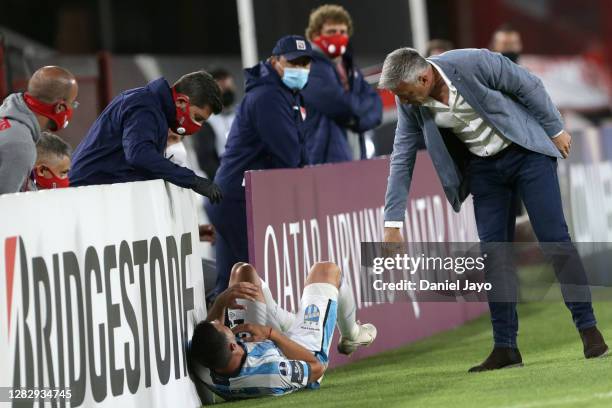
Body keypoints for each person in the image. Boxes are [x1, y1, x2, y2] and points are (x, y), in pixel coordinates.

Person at [378, 47, 608, 371]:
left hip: (526, 153)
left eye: (404, 93)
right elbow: (401, 158)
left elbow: (528, 85)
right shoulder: (411, 104)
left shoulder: (472, 62)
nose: (403, 100)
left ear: (424, 77)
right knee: (493, 254)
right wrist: (392, 222)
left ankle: (588, 329)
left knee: (554, 238)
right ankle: (506, 348)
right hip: (484, 170)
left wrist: (555, 128)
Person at [207, 35, 313, 296]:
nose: (299, 69)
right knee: (252, 279)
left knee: (231, 282)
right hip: (238, 199)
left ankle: (218, 333)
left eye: (304, 63)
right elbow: (288, 154)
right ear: (275, 61)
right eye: (293, 62)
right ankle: (246, 334)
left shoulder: (284, 94)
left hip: (235, 197)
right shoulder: (268, 96)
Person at [188, 261, 377, 400]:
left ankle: (287, 322)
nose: (224, 323)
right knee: (326, 271)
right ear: (232, 346)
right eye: (226, 328)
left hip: (259, 345)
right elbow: (317, 368)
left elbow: (208, 336)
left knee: (242, 272)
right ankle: (351, 335)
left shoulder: (203, 362)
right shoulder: (273, 373)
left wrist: (221, 302)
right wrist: (271, 333)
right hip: (299, 353)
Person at [69, 71, 223, 203]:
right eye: (198, 117)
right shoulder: (144, 105)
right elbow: (139, 155)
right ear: (181, 101)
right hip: (83, 195)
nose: (198, 125)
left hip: (96, 193)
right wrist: (192, 180)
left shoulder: (154, 108)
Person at [302, 4, 382, 163]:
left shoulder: (350, 67)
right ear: (315, 34)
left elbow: (376, 106)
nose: (338, 36)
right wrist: (360, 112)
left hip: (356, 155)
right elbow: (338, 104)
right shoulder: (309, 65)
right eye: (331, 31)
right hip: (324, 158)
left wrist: (356, 121)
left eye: (343, 32)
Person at [0, 66, 78, 194]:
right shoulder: (20, 144)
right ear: (60, 107)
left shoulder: (8, 123)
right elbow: (4, 207)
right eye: (73, 103)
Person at [191, 68, 237, 180]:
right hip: (219, 181)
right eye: (222, 86)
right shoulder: (206, 120)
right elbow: (206, 160)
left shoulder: (241, 115)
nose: (226, 90)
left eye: (228, 87)